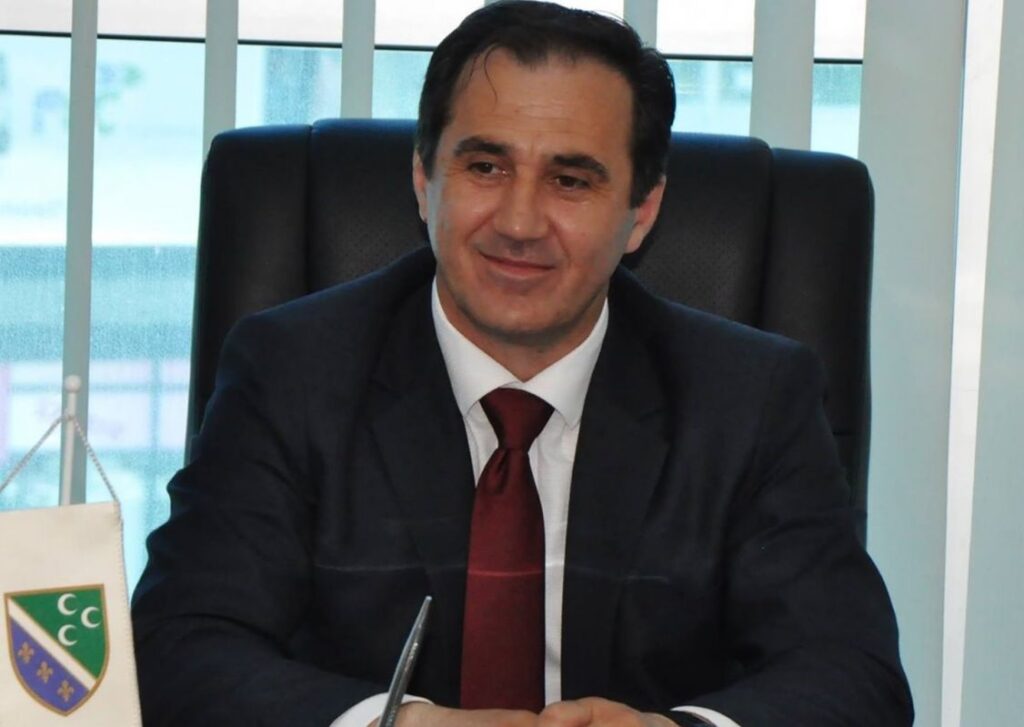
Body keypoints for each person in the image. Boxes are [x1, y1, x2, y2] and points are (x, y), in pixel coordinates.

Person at [131, 2, 913, 726]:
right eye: (485, 167)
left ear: (641, 211)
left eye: (570, 180)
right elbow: (178, 646)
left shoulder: (749, 399)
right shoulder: (292, 372)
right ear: (424, 179)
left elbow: (852, 672)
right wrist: (398, 722)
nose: (519, 221)